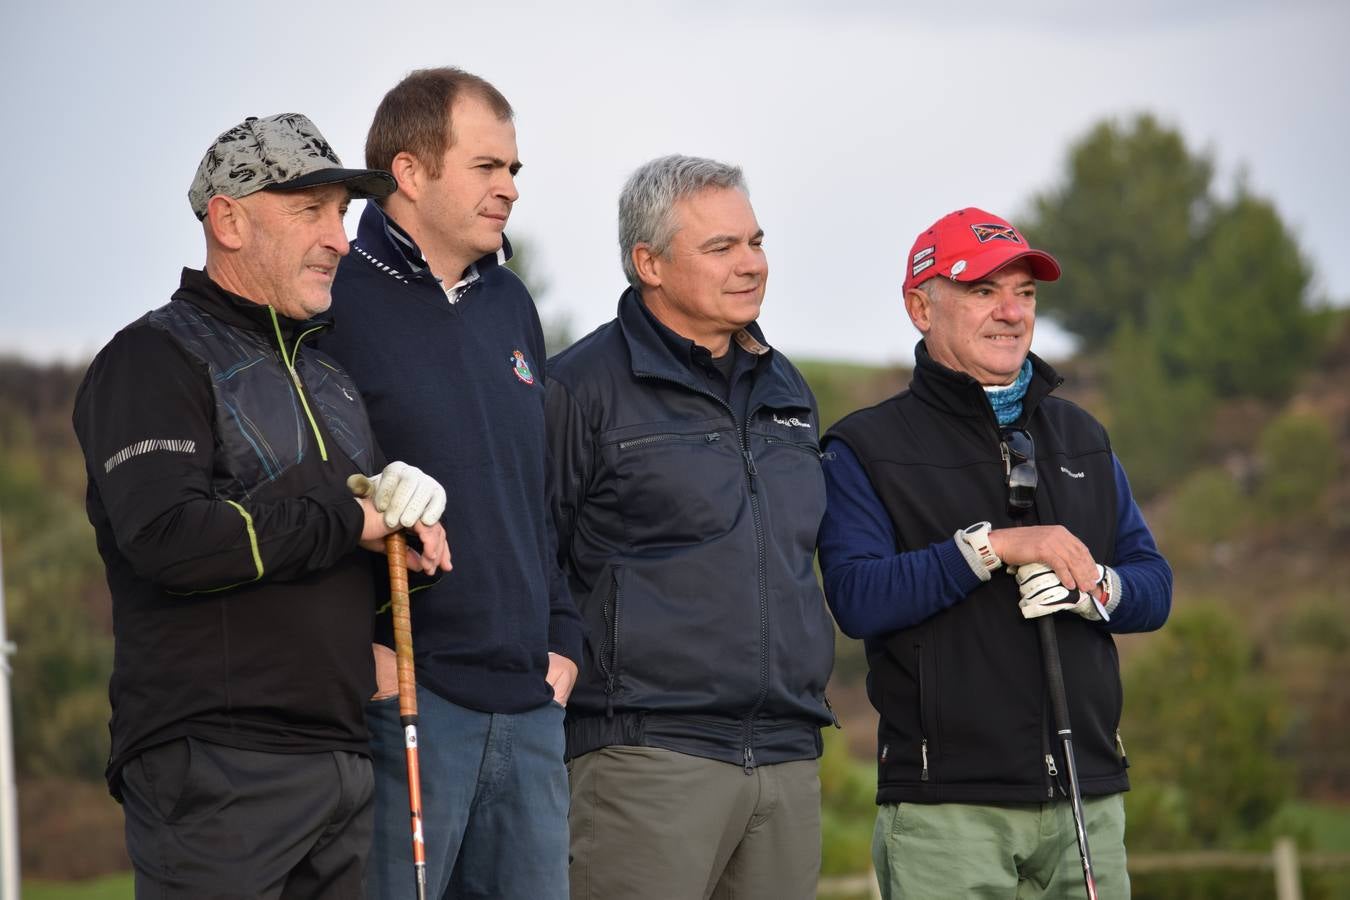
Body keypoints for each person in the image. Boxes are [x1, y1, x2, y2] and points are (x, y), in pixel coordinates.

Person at [72, 112, 452, 898]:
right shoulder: (152, 357)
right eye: (310, 210)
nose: (340, 239)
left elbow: (332, 554)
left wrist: (406, 554)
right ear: (229, 219)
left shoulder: (335, 382)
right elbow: (170, 540)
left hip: (344, 761)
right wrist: (350, 520)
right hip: (215, 761)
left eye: (342, 214)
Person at [818, 207, 1173, 899]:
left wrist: (1098, 589)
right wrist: (992, 549)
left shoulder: (1082, 437)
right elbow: (857, 598)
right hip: (948, 809)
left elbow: (1154, 586)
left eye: (1026, 292)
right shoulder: (863, 447)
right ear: (921, 306)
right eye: (983, 291)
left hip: (1087, 799)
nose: (1011, 312)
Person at [317, 68, 582, 899]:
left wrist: (563, 638)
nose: (508, 189)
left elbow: (534, 492)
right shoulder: (331, 298)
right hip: (406, 696)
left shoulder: (510, 303)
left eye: (514, 171)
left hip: (530, 704)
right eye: (486, 167)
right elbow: (314, 487)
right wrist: (362, 653)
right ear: (409, 171)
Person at [546, 154, 837, 900]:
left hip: (786, 756)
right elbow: (534, 550)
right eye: (721, 248)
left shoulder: (788, 388)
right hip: (645, 757)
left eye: (755, 242)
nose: (751, 265)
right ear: (648, 262)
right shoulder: (579, 388)